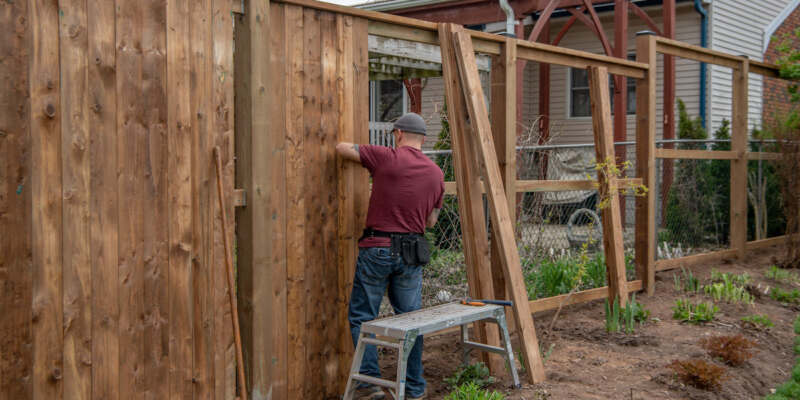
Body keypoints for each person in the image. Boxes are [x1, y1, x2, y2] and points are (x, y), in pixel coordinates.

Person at [336, 113, 444, 400]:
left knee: (363, 316)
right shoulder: (436, 173)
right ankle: (414, 387)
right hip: (411, 254)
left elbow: (342, 149)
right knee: (410, 321)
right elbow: (432, 221)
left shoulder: (385, 157)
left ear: (397, 134)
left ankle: (370, 383)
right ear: (423, 139)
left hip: (377, 248)